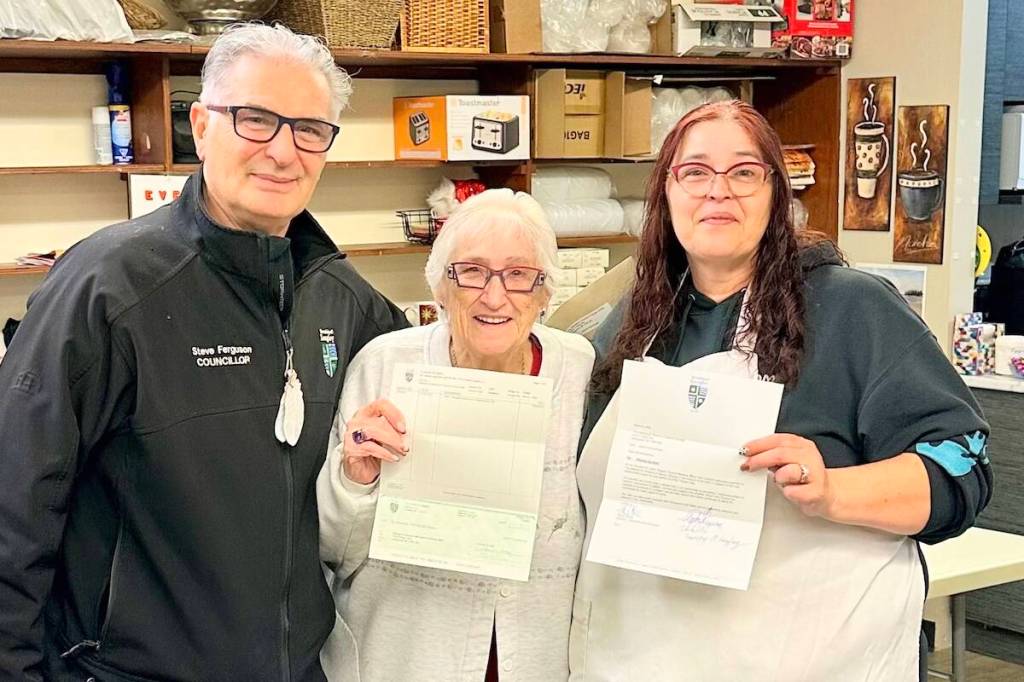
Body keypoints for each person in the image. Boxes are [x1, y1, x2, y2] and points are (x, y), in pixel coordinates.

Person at [0, 23, 407, 681]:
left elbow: (429, 389)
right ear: (202, 124)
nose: (283, 150)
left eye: (309, 129)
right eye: (255, 120)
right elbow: (13, 511)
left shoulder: (344, 298)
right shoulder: (107, 287)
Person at [570, 100, 992, 681]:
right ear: (665, 193)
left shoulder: (852, 309)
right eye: (695, 172)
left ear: (776, 194)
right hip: (639, 660)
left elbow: (961, 465)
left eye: (744, 172)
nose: (718, 191)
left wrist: (833, 491)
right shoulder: (633, 324)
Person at [317, 189, 595, 681]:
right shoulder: (384, 366)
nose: (494, 296)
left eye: (518, 275)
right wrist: (356, 479)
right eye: (471, 271)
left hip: (535, 662)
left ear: (545, 291)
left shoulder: (580, 373)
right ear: (440, 288)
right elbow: (333, 551)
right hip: (401, 660)